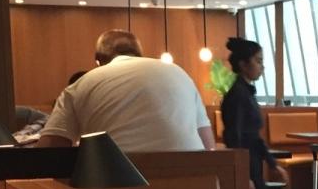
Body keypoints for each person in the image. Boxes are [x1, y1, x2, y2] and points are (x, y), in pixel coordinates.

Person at [36, 30, 215, 152]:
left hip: (115, 183)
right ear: (140, 54)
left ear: (98, 60)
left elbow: (49, 151)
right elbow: (208, 145)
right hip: (191, 179)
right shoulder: (179, 74)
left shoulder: (82, 84)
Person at [221, 37, 287, 189]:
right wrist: (244, 176)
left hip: (253, 164)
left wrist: (272, 164)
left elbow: (254, 136)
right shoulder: (237, 95)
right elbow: (234, 138)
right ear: (243, 64)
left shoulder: (245, 92)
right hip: (247, 166)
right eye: (258, 61)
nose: (262, 67)